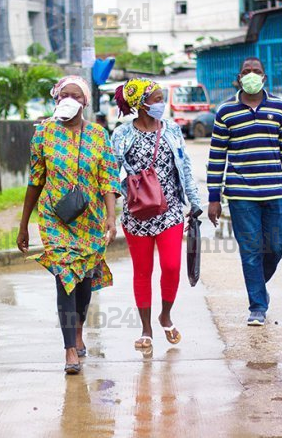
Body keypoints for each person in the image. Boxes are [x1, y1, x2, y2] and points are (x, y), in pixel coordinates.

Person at [16, 75, 121, 375]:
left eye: (75, 95)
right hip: (54, 219)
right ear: (56, 99)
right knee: (65, 278)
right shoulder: (43, 134)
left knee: (85, 283)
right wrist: (24, 225)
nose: (69, 99)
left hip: (90, 221)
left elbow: (108, 181)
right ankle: (69, 350)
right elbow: (35, 181)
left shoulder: (99, 136)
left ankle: (78, 329)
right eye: (64, 94)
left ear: (86, 102)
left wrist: (111, 218)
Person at [206, 57, 282, 326]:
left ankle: (257, 286)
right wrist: (213, 198)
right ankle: (257, 306)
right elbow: (217, 158)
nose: (251, 75)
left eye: (256, 72)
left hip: (274, 194)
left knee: (275, 246)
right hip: (240, 196)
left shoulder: (281, 109)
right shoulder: (225, 112)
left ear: (265, 78)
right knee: (250, 251)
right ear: (239, 78)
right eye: (246, 72)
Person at [112, 78, 202, 349]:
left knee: (172, 267)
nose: (162, 104)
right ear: (141, 104)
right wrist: (119, 198)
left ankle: (165, 315)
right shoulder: (122, 134)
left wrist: (194, 203)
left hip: (170, 211)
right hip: (136, 214)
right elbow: (110, 172)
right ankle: (146, 328)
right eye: (157, 99)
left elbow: (184, 168)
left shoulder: (173, 130)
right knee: (143, 271)